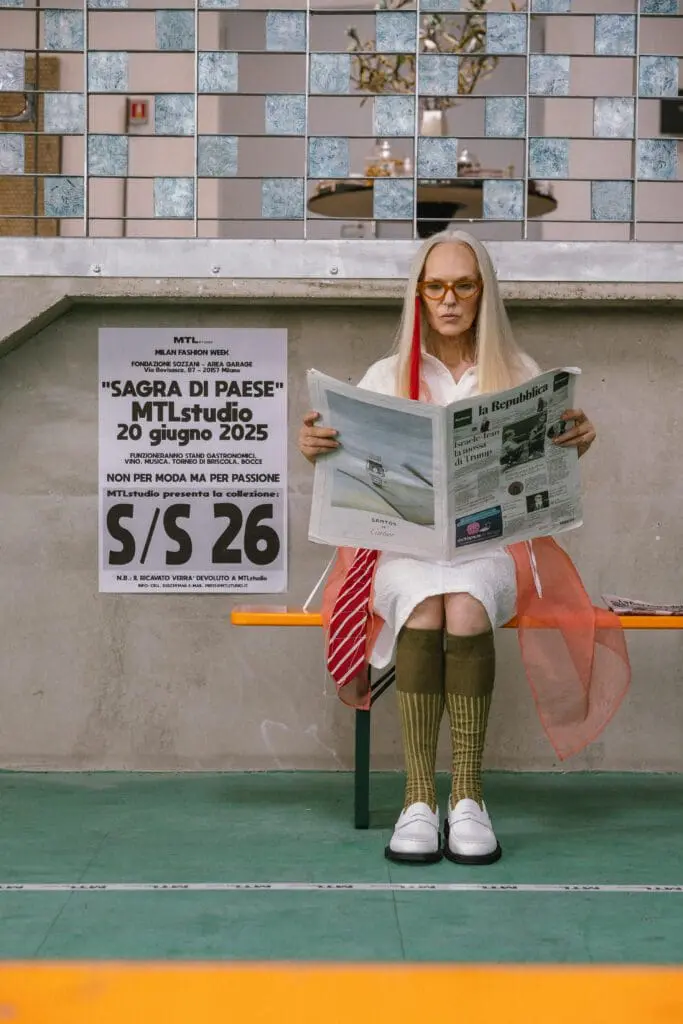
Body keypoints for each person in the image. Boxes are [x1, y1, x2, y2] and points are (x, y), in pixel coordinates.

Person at [298, 229, 630, 866]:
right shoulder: (384, 375)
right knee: (426, 605)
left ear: (485, 293)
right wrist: (316, 448)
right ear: (418, 295)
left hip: (492, 555)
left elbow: (544, 476)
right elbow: (349, 471)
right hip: (403, 555)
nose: (449, 299)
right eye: (436, 286)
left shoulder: (520, 374)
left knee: (467, 605)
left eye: (464, 285)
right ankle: (419, 800)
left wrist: (576, 441)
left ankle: (469, 798)